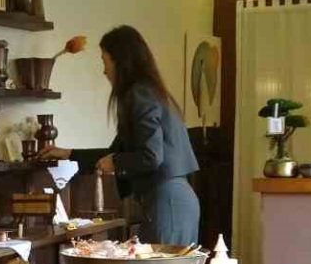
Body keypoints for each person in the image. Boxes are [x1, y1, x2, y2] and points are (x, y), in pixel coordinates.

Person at [39, 25, 200, 245]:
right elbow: (116, 153)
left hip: (167, 202)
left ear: (121, 62)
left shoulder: (140, 94)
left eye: (105, 61)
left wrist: (115, 162)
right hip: (172, 201)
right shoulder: (149, 91)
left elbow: (150, 157)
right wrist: (67, 153)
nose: (104, 71)